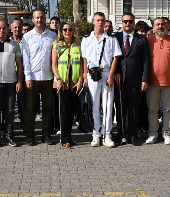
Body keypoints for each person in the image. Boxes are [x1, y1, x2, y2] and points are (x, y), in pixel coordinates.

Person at [82, 12, 122, 147]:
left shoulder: (111, 39)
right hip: (92, 75)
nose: (100, 22)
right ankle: (96, 134)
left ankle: (107, 134)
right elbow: (85, 59)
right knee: (94, 106)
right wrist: (85, 76)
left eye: (102, 20)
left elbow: (115, 58)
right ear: (93, 21)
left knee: (108, 106)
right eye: (98, 20)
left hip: (106, 73)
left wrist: (111, 76)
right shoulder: (87, 39)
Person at [113, 12, 150, 146]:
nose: (127, 24)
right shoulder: (115, 37)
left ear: (134, 23)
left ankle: (133, 135)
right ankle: (121, 134)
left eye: (130, 21)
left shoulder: (141, 39)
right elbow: (113, 57)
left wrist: (145, 79)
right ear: (122, 23)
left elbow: (145, 61)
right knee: (120, 108)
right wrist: (116, 72)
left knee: (134, 108)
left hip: (135, 79)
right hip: (119, 79)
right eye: (125, 21)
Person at [22, 10, 57, 145]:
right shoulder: (27, 37)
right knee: (30, 108)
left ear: (44, 18)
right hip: (33, 77)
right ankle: (30, 134)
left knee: (48, 108)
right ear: (33, 19)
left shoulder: (52, 35)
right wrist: (28, 77)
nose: (39, 20)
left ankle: (46, 134)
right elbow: (26, 59)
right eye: (37, 18)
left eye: (41, 17)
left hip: (48, 77)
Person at [145, 17, 170, 145]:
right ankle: (153, 134)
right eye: (157, 24)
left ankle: (167, 133)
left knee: (168, 109)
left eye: (162, 24)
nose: (160, 26)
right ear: (153, 27)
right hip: (152, 82)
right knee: (152, 109)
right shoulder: (148, 41)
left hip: (169, 82)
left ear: (166, 26)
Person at [52, 21, 82, 148]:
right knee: (64, 111)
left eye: (70, 29)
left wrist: (80, 80)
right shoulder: (57, 45)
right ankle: (64, 138)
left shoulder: (78, 45)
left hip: (74, 82)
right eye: (65, 30)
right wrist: (58, 80)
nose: (67, 32)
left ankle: (69, 137)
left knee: (72, 111)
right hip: (62, 83)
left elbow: (81, 65)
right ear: (61, 31)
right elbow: (53, 65)